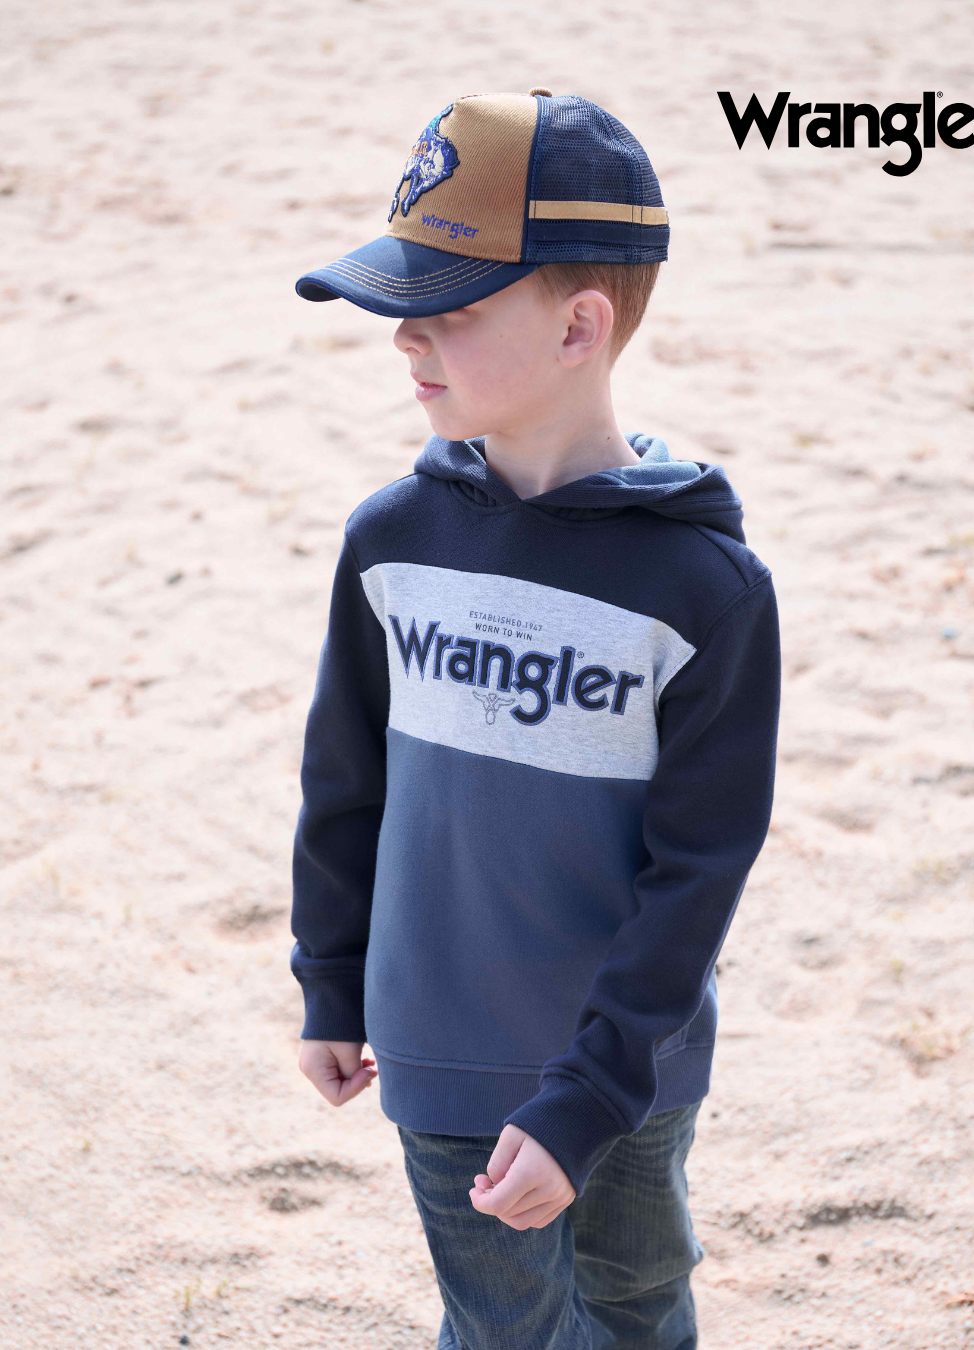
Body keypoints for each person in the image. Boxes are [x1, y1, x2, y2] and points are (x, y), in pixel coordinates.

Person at [289, 88, 781, 1350]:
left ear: (578, 326)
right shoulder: (390, 541)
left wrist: (594, 1091)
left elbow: (700, 872)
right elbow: (344, 783)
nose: (406, 339)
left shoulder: (705, 590)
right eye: (400, 305)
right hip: (441, 1047)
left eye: (449, 310)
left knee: (637, 1302)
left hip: (632, 1069)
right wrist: (331, 979)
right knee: (503, 1328)